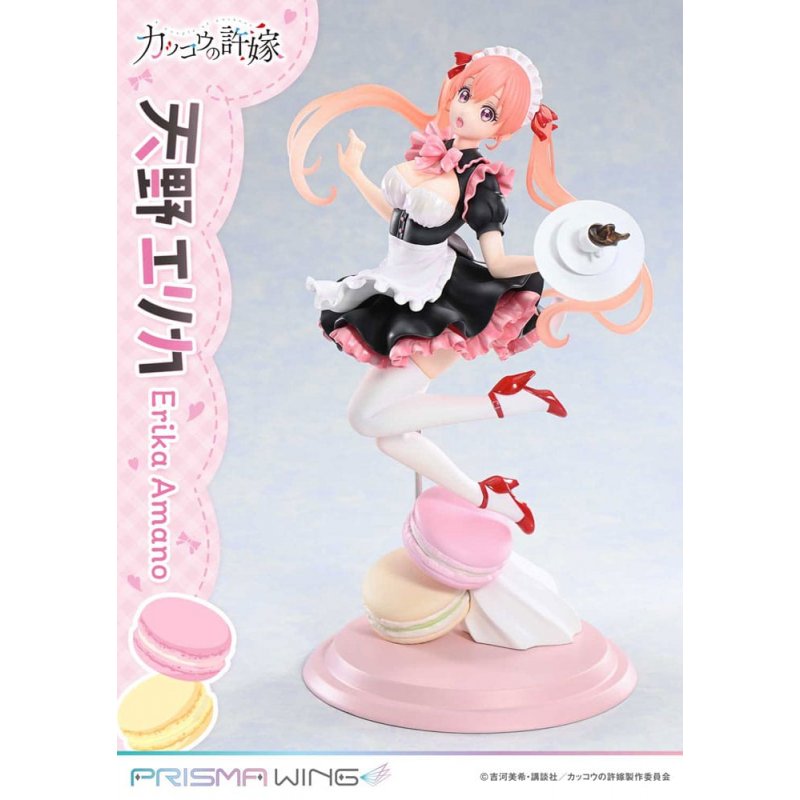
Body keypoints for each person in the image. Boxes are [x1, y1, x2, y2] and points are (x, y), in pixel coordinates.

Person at [287, 46, 649, 533]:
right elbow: (398, 221)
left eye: (487, 112)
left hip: (441, 307)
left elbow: (497, 261)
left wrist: (554, 257)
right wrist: (355, 172)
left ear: (499, 132)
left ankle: (512, 403)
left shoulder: (480, 181)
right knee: (391, 436)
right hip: (394, 289)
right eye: (466, 94)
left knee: (366, 418)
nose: (467, 110)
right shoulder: (429, 152)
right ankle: (493, 498)